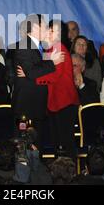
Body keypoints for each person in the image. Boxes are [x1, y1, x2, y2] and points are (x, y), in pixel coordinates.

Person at [17, 20, 79, 158]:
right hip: (55, 103)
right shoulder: (49, 50)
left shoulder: (59, 48)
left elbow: (54, 76)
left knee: (65, 141)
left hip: (64, 102)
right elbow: (41, 63)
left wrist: (31, 77)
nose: (49, 33)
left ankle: (70, 174)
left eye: (53, 31)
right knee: (58, 141)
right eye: (49, 30)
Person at [11, 14, 64, 151]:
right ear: (35, 27)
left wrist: (47, 61)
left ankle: (35, 171)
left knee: (36, 144)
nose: (47, 29)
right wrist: (52, 62)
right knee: (24, 145)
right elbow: (32, 72)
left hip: (37, 104)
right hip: (27, 105)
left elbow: (36, 65)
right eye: (44, 25)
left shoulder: (37, 46)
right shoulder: (24, 45)